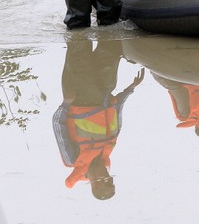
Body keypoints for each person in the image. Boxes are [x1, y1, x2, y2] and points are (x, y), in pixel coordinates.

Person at [52, 36, 145, 199]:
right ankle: (105, 15)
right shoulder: (108, 148)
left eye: (103, 179)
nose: (106, 174)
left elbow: (58, 125)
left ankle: (77, 15)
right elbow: (116, 111)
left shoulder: (72, 158)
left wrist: (65, 104)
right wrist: (130, 88)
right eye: (109, 177)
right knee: (111, 45)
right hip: (105, 91)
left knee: (79, 44)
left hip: (80, 95)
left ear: (93, 182)